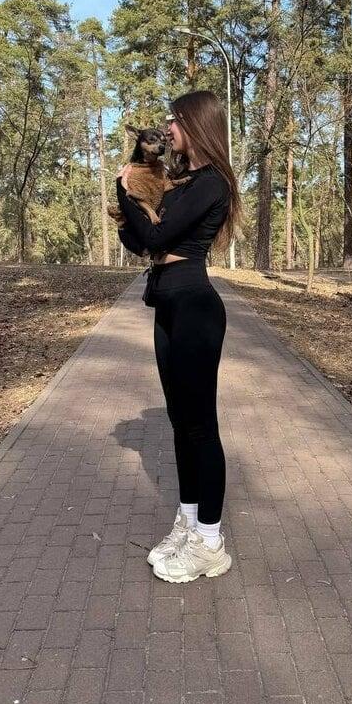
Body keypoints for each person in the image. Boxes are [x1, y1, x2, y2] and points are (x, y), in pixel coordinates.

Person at [115, 90, 242, 583]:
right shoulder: (179, 180)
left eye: (175, 120)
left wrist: (125, 192)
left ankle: (210, 542)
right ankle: (188, 523)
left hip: (194, 307)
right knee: (179, 422)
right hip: (166, 304)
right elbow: (136, 241)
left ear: (196, 124)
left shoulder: (211, 185)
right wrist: (127, 199)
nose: (168, 129)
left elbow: (155, 237)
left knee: (201, 426)